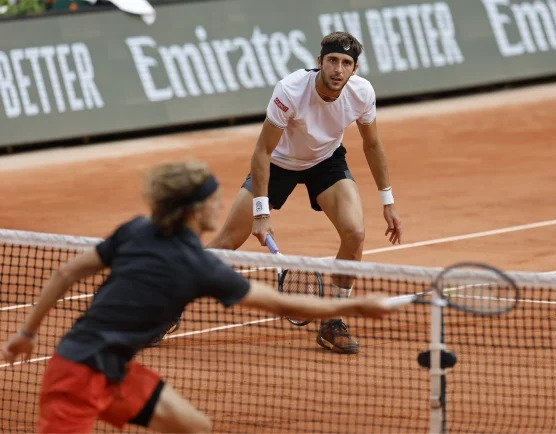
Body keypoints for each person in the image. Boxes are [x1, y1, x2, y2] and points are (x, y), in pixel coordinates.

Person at [1, 161, 395, 434]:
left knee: (195, 427)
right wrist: (353, 305)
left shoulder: (138, 229)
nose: (221, 205)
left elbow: (66, 272)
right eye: (213, 200)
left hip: (115, 372)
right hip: (77, 378)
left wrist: (27, 333)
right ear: (193, 209)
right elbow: (285, 305)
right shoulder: (197, 266)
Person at [203, 31, 403, 355]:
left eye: (346, 63)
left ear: (354, 69)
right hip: (278, 162)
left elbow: (372, 143)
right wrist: (261, 213)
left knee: (355, 233)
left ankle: (333, 321)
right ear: (319, 62)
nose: (339, 69)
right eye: (333, 61)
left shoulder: (362, 93)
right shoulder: (291, 90)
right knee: (226, 242)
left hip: (325, 162)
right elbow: (262, 151)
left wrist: (388, 201)